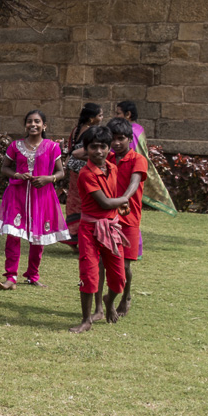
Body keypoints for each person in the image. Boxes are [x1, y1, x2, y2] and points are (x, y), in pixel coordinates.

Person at [0, 110, 67, 289]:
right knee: (13, 235)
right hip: (17, 194)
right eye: (29, 122)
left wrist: (48, 179)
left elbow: (61, 172)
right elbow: (5, 168)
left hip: (41, 196)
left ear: (44, 125)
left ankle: (32, 275)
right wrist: (17, 174)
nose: (33, 125)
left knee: (37, 236)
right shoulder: (16, 146)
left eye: (37, 121)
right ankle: (11, 277)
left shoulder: (51, 147)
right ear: (25, 125)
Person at [70, 126, 130, 334]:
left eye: (103, 147)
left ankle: (108, 301)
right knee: (89, 275)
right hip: (90, 230)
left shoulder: (112, 168)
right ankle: (86, 319)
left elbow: (111, 199)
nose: (98, 151)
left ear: (108, 148)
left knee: (119, 278)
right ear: (87, 150)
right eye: (93, 147)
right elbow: (104, 203)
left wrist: (119, 204)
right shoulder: (86, 173)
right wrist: (124, 200)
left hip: (111, 228)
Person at [108, 117, 148, 318]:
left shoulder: (138, 159)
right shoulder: (106, 158)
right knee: (104, 263)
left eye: (121, 138)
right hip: (106, 216)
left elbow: (135, 182)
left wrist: (124, 198)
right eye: (113, 139)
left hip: (129, 218)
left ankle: (125, 296)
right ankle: (104, 304)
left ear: (129, 139)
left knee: (124, 265)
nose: (116, 143)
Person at [115, 99, 178, 221]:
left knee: (127, 213)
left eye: (118, 113)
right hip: (135, 173)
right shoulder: (138, 128)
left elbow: (127, 154)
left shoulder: (131, 132)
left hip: (129, 174)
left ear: (128, 114)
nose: (115, 117)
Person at [62, 103, 103, 248]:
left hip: (73, 170)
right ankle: (81, 237)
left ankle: (72, 237)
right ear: (92, 119)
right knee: (86, 202)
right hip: (86, 170)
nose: (102, 118)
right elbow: (94, 152)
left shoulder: (75, 130)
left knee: (74, 200)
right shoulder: (93, 132)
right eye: (100, 115)